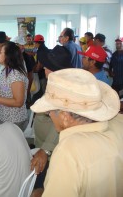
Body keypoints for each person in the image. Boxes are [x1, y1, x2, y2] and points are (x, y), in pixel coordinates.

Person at [30, 68, 123, 197]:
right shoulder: (119, 122)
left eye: (48, 112)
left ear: (65, 117)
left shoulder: (68, 152)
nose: (49, 115)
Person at [31, 45, 72, 196]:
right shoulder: (53, 83)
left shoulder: (63, 91)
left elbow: (61, 123)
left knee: (43, 186)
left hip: (51, 150)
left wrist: (45, 150)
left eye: (47, 67)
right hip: (43, 143)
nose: (44, 69)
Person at [0, 41, 29, 131]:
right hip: (4, 117)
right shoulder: (5, 71)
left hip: (14, 120)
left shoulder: (16, 75)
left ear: (8, 56)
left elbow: (18, 102)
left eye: (1, 53)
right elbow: (3, 92)